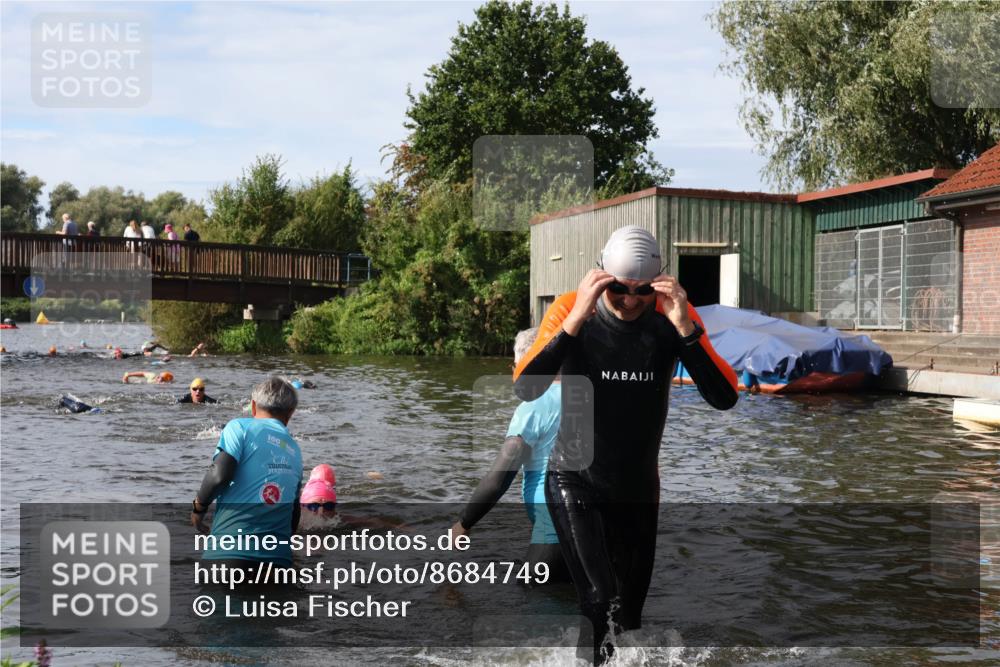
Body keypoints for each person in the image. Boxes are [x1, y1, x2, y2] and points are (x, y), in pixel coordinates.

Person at [513, 226, 739, 664]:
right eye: (618, 289)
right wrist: (577, 318)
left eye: (642, 291)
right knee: (600, 598)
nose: (631, 300)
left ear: (659, 282)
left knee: (631, 617)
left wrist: (684, 329)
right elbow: (526, 387)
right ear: (601, 276)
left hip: (637, 488)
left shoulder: (675, 316)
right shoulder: (569, 308)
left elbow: (724, 398)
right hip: (573, 478)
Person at [451, 328, 567, 582]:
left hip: (556, 529)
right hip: (603, 531)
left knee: (534, 604)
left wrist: (464, 523)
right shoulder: (593, 396)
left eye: (515, 366)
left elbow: (499, 478)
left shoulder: (534, 406)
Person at [191, 377, 302, 567]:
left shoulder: (239, 427)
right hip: (278, 563)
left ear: (253, 406)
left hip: (229, 557)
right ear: (290, 413)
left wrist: (198, 509)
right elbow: (294, 513)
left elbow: (219, 475)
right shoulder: (295, 449)